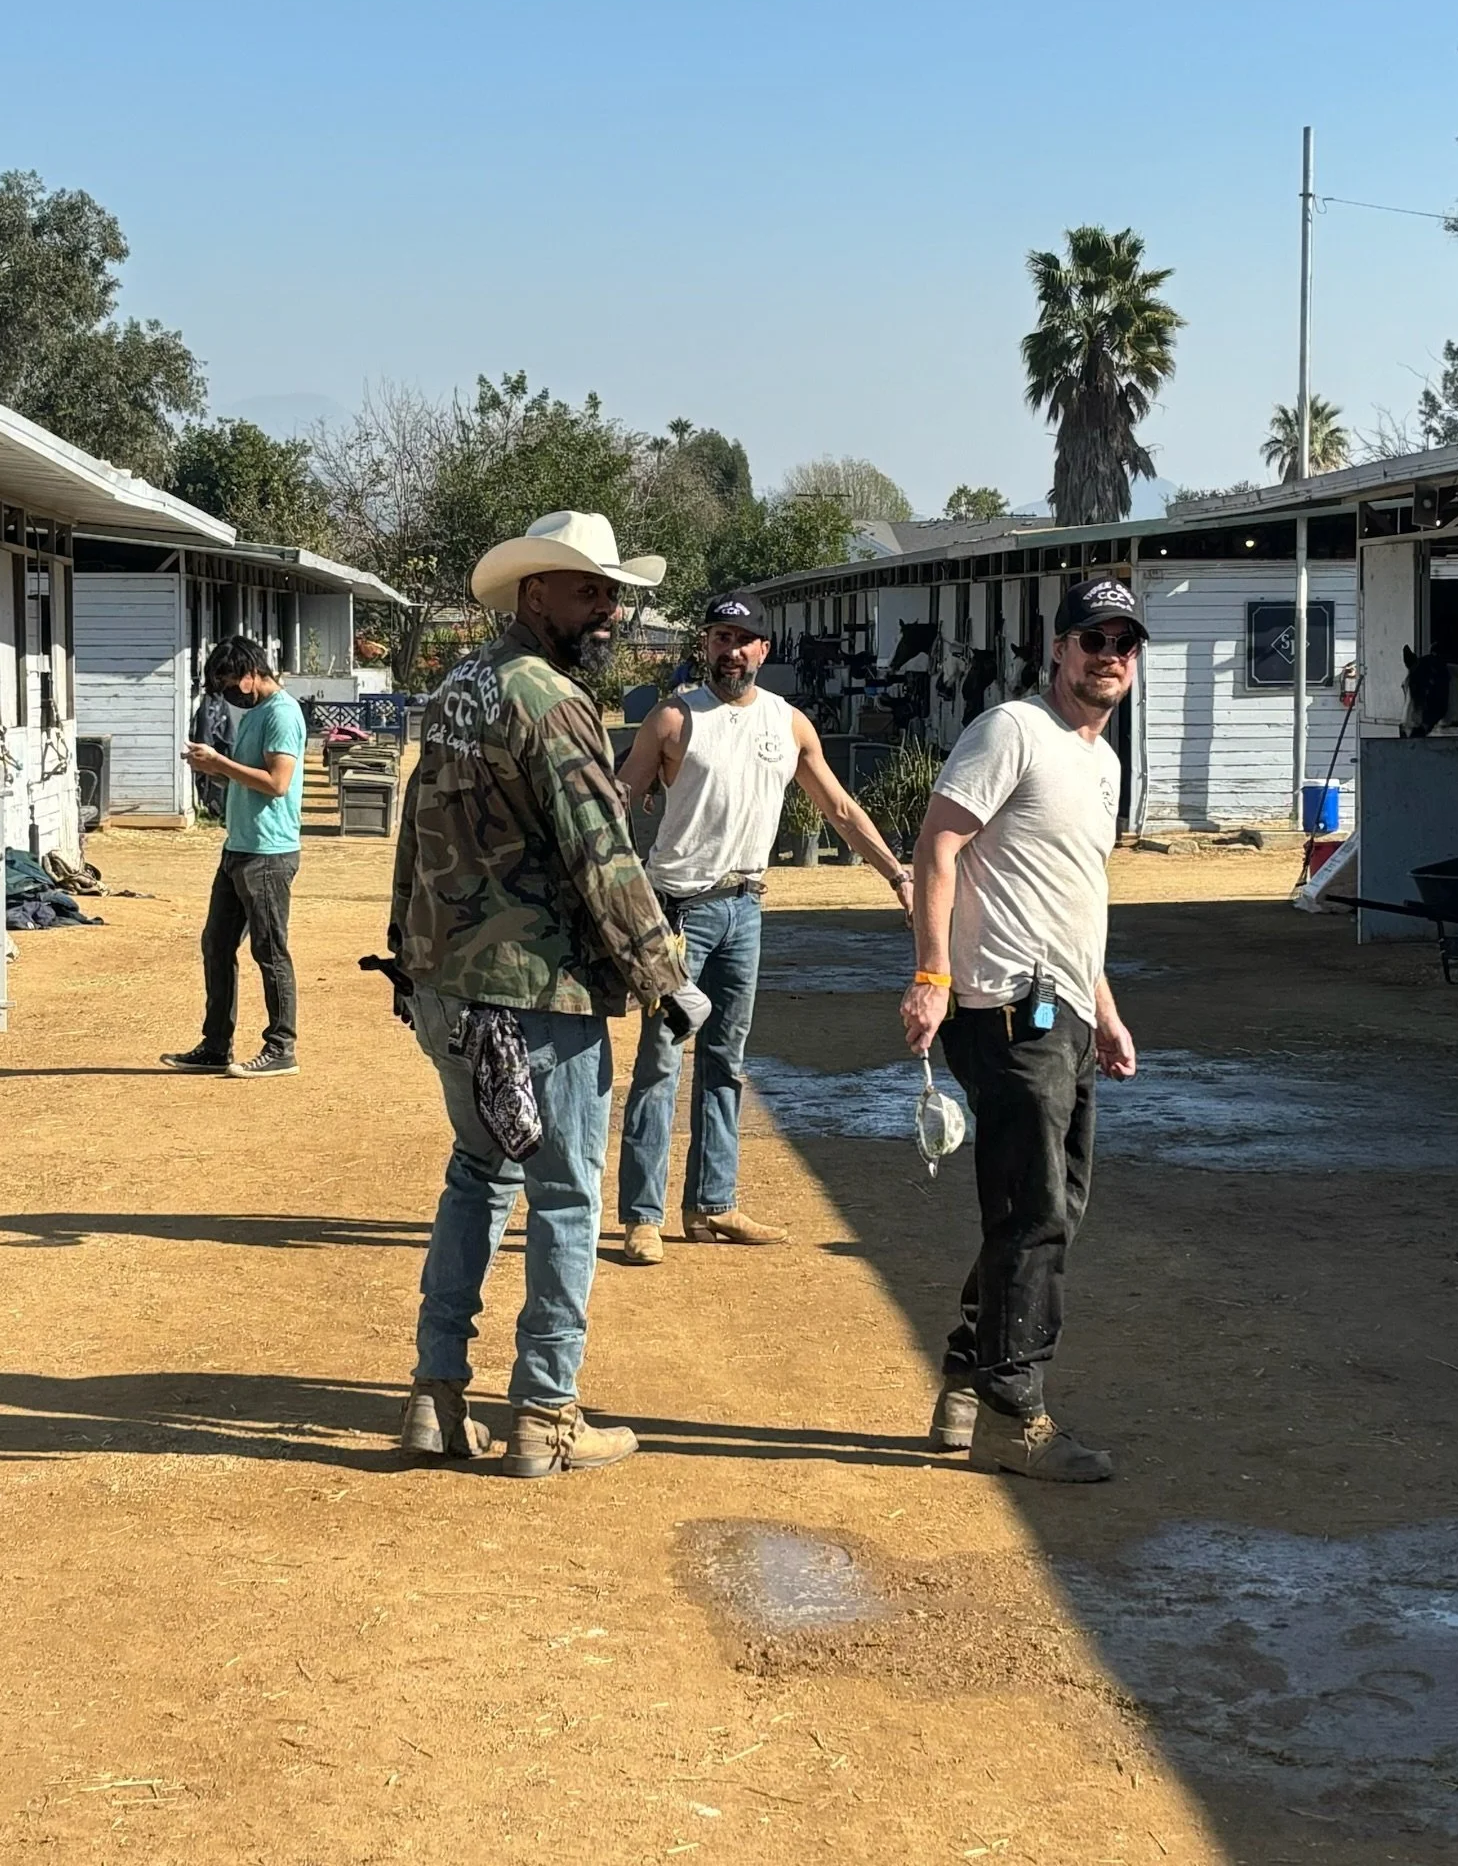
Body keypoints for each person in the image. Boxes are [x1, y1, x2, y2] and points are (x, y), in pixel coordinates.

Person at [390, 511, 699, 1479]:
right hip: (535, 998)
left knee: (476, 1175)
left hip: (450, 986)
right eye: (587, 589)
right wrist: (664, 979)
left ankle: (435, 1398)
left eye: (610, 591)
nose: (608, 608)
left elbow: (412, 827)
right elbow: (601, 851)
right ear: (534, 594)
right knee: (566, 1194)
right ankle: (544, 1413)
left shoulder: (457, 690)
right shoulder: (550, 701)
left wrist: (406, 954)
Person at [900, 577, 1142, 1484]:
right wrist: (931, 973)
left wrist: (1106, 1011)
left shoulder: (1103, 763)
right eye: (1093, 638)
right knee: (1034, 1210)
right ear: (1060, 647)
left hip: (1066, 1015)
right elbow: (937, 846)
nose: (1109, 654)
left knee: (1048, 1210)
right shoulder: (1012, 731)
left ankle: (968, 1382)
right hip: (1002, 1010)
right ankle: (1014, 1413)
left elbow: (1073, 902)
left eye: (1123, 641)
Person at [613, 590, 914, 1262]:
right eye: (720, 638)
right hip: (677, 918)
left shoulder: (789, 724)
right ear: (705, 647)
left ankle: (712, 1206)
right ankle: (641, 1216)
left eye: (743, 640)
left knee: (727, 1063)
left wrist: (898, 874)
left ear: (763, 651)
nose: (732, 651)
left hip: (745, 910)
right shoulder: (672, 720)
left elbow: (839, 807)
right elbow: (618, 801)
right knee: (662, 1063)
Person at [161, 638, 307, 1079]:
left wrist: (220, 763)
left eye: (228, 682)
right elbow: (249, 780)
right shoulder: (255, 713)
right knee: (217, 944)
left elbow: (278, 782)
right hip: (239, 847)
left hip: (268, 852)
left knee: (270, 949)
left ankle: (281, 1047)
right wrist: (215, 769)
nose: (226, 691)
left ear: (250, 673)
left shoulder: (281, 714)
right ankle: (215, 1045)